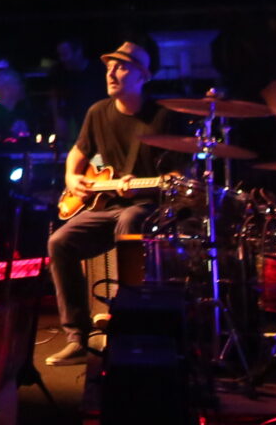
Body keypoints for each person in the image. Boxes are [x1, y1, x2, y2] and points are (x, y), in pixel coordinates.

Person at [44, 42, 183, 364]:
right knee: (59, 242)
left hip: (149, 205)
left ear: (143, 76)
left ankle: (126, 324)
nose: (111, 73)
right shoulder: (98, 112)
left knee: (130, 221)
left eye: (121, 67)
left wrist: (143, 185)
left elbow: (177, 175)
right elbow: (79, 151)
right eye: (109, 67)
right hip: (106, 206)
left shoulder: (163, 117)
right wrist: (71, 177)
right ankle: (78, 338)